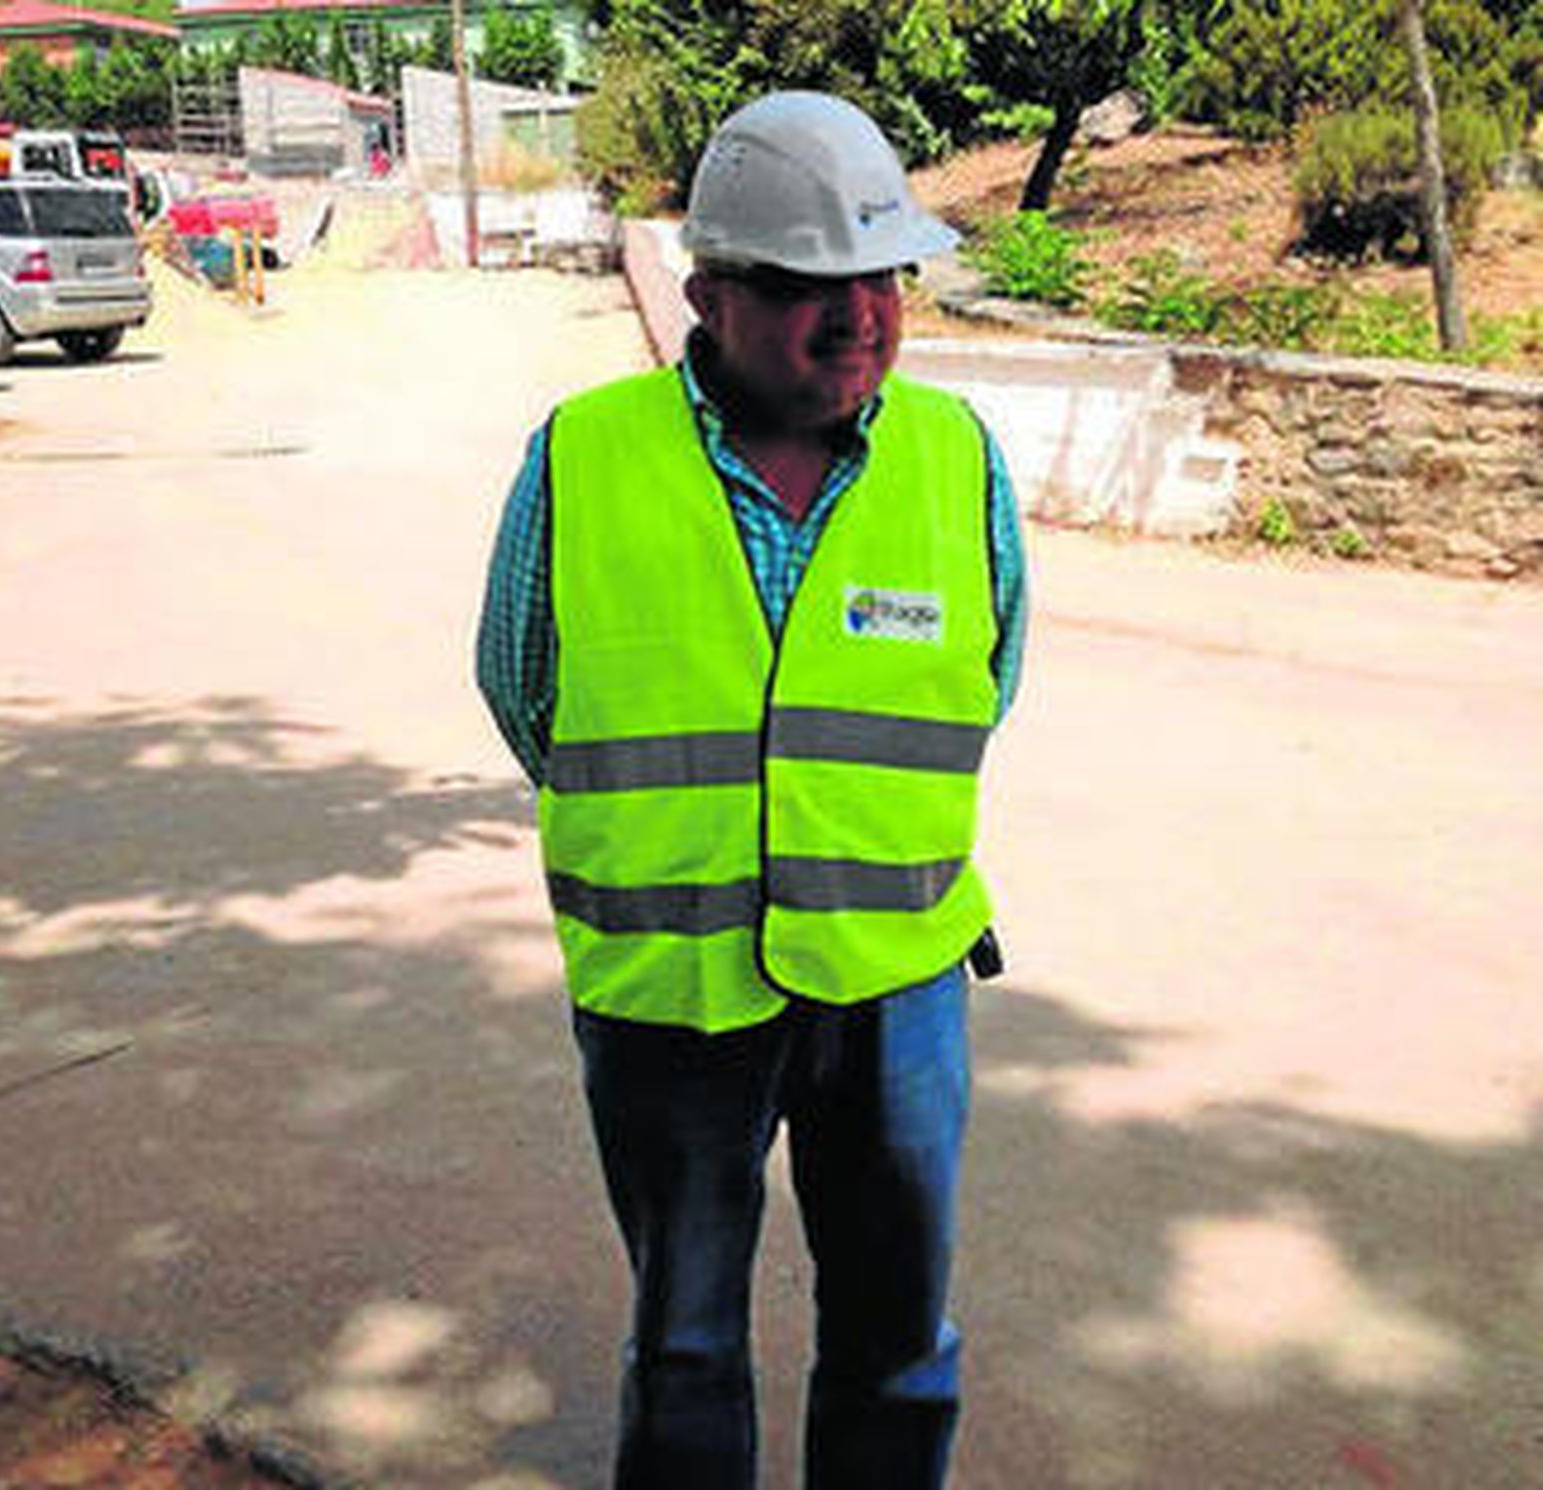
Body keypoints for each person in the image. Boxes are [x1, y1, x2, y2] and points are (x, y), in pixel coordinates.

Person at [477, 90, 1028, 1490]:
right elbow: (524, 690)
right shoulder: (584, 454)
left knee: (901, 1336)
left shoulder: (957, 458)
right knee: (686, 1345)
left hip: (897, 983)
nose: (854, 318)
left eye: (880, 278)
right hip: (673, 991)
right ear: (706, 294)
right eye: (800, 286)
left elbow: (990, 675)